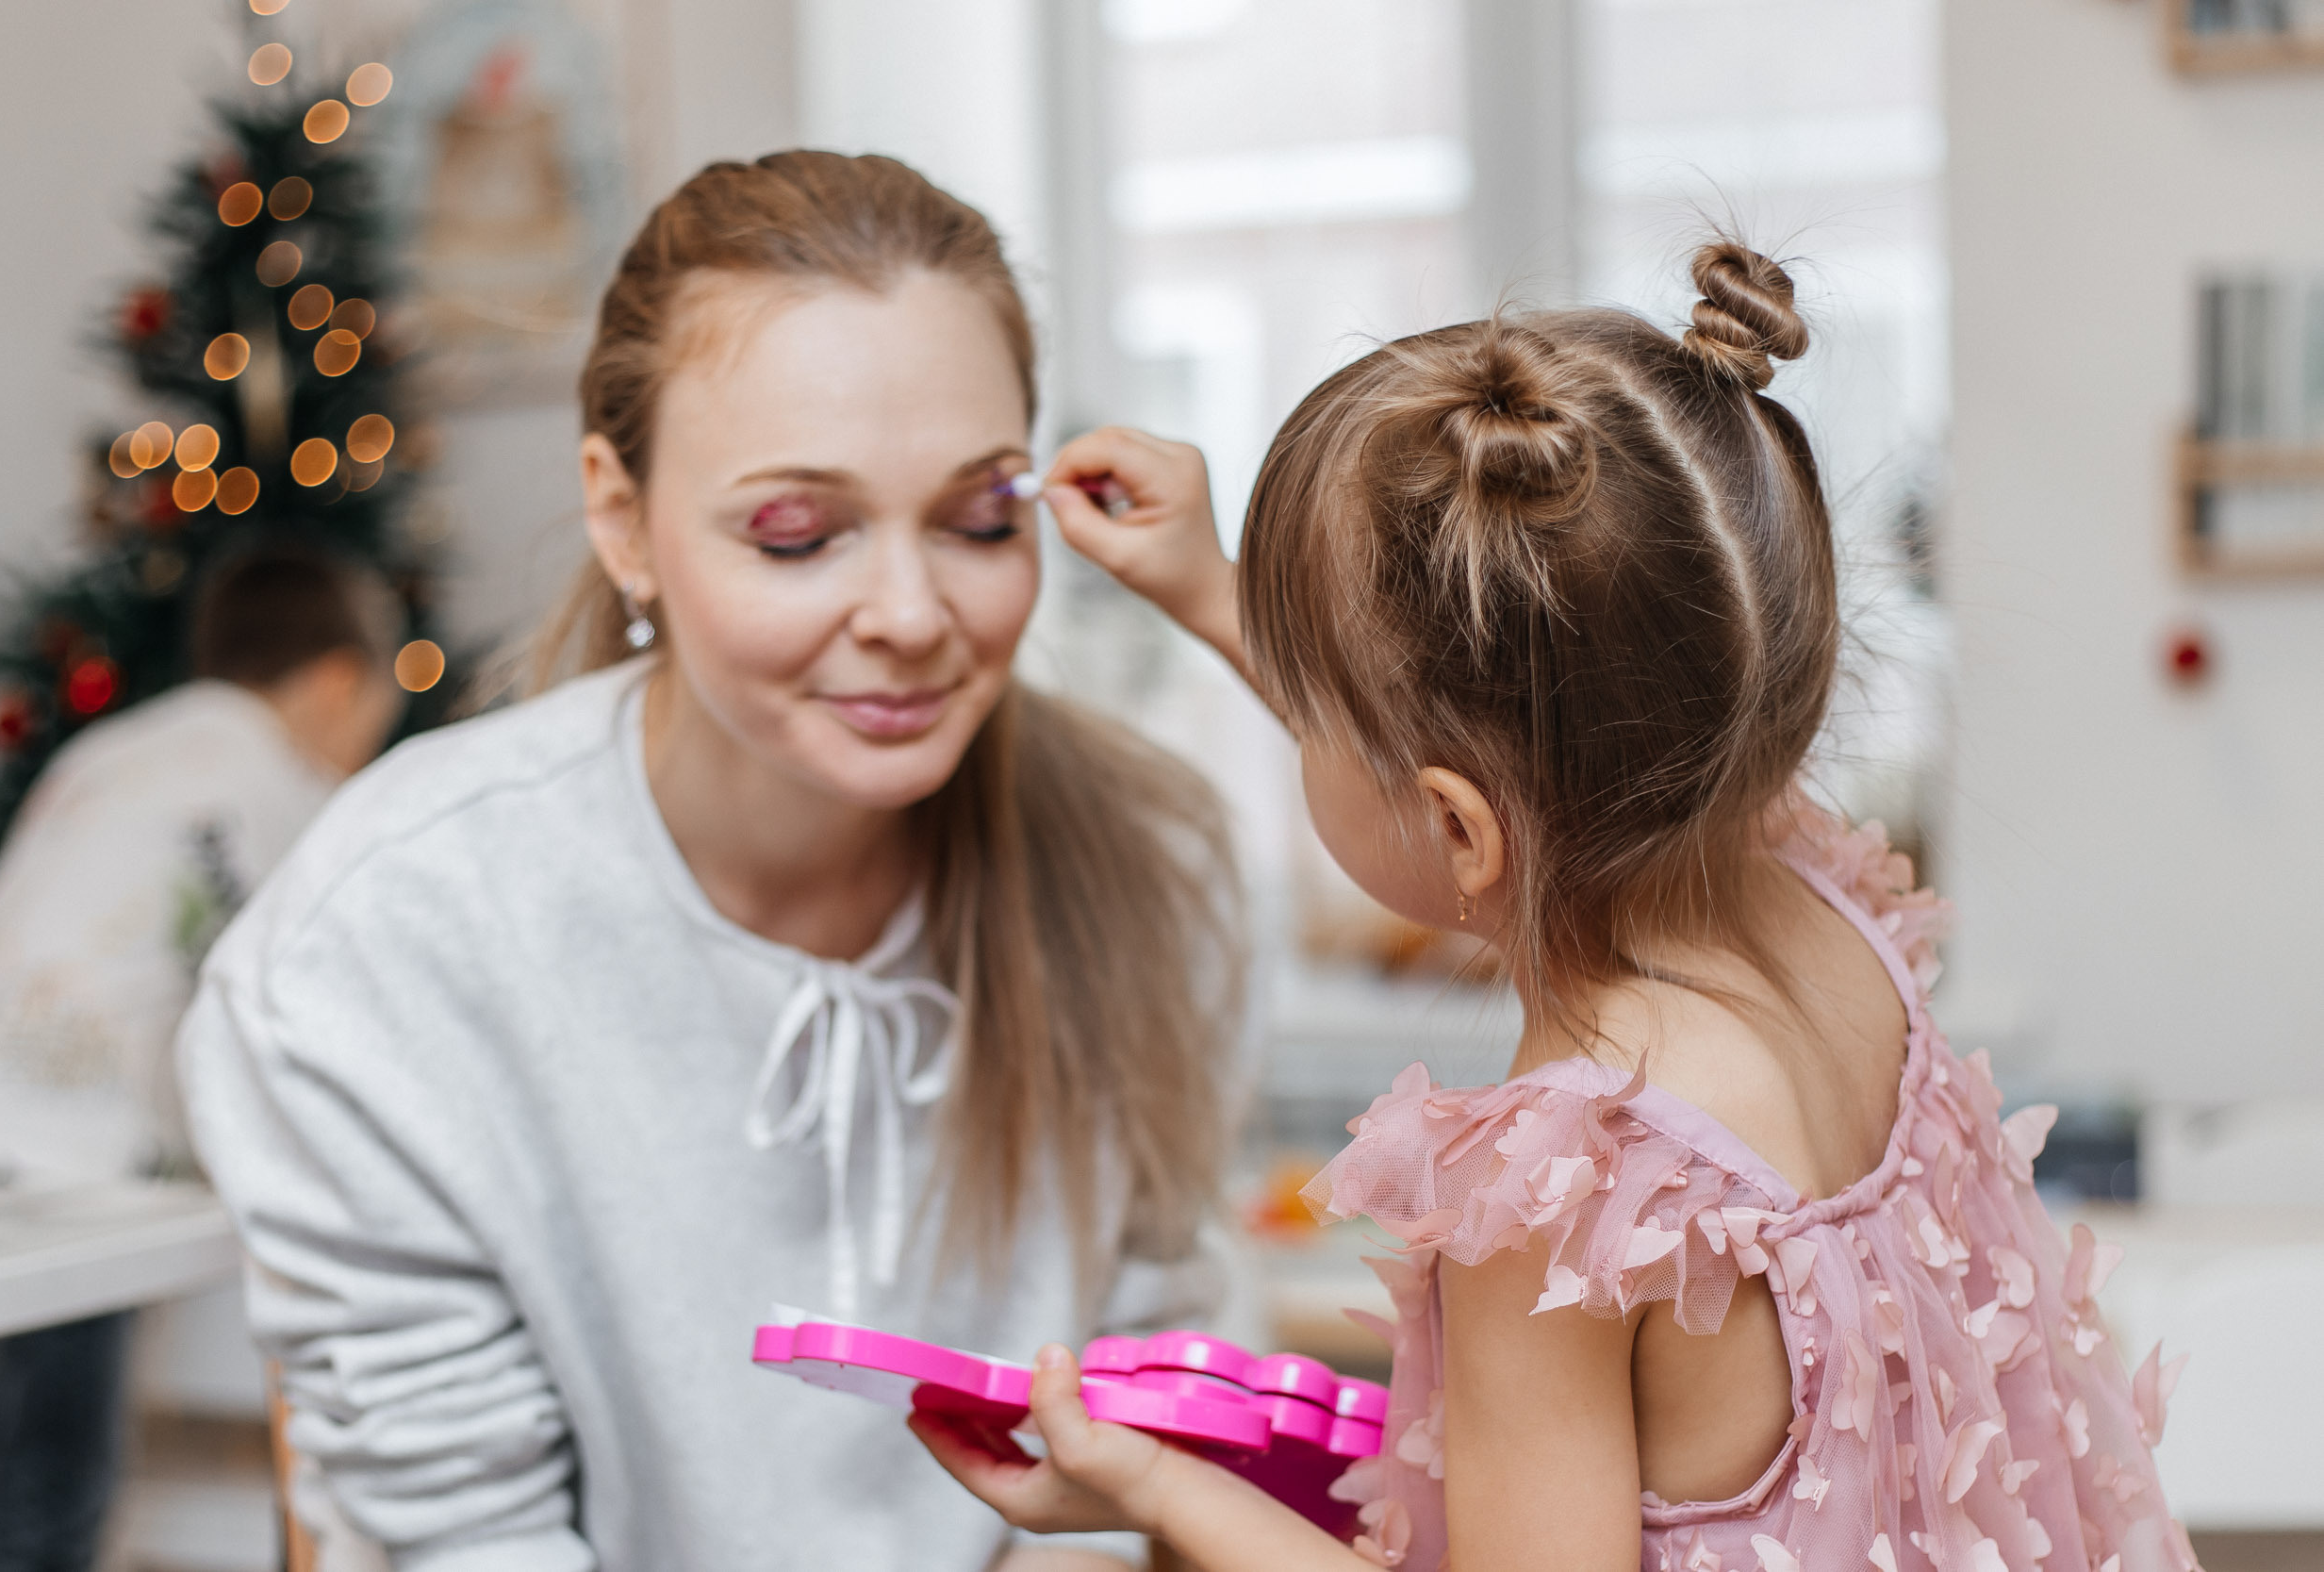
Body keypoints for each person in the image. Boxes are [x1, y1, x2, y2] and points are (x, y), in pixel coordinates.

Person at [918, 243, 2200, 1572]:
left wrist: (1162, 1489)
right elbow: (1529, 730)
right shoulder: (1814, 898)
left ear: (1464, 827)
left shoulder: (1563, 1198)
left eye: (1310, 715)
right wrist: (1206, 583)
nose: (1299, 728)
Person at [178, 152, 1241, 1571]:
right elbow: (460, 1534)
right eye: (798, 532)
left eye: (982, 516)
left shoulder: (1149, 863)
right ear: (622, 517)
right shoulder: (379, 941)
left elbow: (1156, 1405)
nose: (913, 612)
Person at [0, 544, 403, 1572]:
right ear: (340, 682)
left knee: (3, 1463)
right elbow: (301, 985)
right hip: (81, 1169)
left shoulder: (113, 750)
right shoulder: (268, 783)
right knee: (54, 1495)